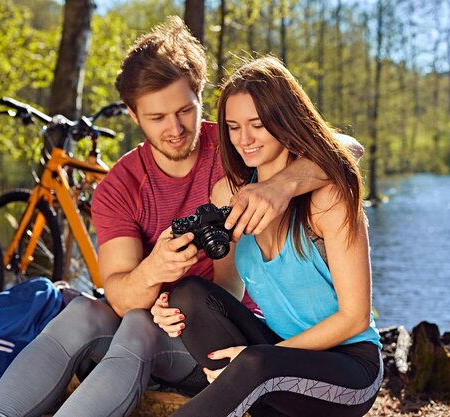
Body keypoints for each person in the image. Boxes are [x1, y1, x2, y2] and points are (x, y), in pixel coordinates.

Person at [0, 18, 360, 417]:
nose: (175, 129)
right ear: (132, 115)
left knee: (139, 325)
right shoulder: (120, 186)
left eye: (184, 111)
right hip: (156, 328)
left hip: (229, 334)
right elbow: (121, 295)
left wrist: (282, 185)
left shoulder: (239, 144)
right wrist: (155, 269)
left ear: (200, 96)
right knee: (85, 312)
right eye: (157, 118)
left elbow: (346, 147)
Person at [164, 57, 383, 417]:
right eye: (233, 127)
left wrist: (264, 359)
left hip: (351, 368)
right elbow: (228, 290)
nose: (244, 139)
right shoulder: (228, 197)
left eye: (258, 124)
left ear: (285, 119)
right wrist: (175, 310)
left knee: (255, 365)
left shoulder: (327, 197)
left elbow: (355, 318)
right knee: (188, 294)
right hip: (277, 356)